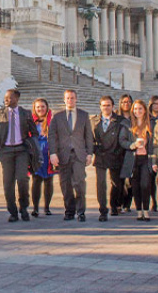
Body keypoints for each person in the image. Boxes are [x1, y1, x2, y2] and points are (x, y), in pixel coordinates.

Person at [0, 89, 39, 222]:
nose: (6, 100)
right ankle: (12, 212)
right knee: (8, 183)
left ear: (17, 98)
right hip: (5, 151)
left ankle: (23, 207)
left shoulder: (25, 113)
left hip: (21, 150)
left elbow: (34, 132)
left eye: (9, 98)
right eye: (5, 98)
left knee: (23, 179)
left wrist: (30, 144)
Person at [48, 89, 93, 222]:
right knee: (65, 184)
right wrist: (53, 153)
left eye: (72, 98)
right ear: (64, 100)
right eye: (68, 98)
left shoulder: (84, 116)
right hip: (63, 155)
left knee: (79, 183)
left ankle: (81, 211)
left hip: (79, 155)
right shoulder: (57, 116)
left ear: (76, 99)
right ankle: (69, 210)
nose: (70, 100)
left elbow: (88, 136)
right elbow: (52, 136)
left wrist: (89, 153)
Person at [91, 96, 127, 220]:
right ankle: (103, 210)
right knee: (101, 184)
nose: (106, 108)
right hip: (100, 156)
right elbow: (90, 139)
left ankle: (114, 205)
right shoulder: (94, 121)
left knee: (116, 183)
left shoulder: (120, 120)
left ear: (113, 106)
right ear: (100, 106)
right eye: (103, 105)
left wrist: (117, 151)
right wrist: (95, 150)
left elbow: (123, 138)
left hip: (115, 155)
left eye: (108, 105)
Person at [120, 100, 154, 221]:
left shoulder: (150, 124)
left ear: (145, 110)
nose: (137, 111)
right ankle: (139, 211)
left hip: (146, 159)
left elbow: (155, 142)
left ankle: (146, 209)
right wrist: (132, 145)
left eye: (140, 109)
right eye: (135, 109)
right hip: (133, 159)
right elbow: (122, 141)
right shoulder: (128, 124)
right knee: (135, 186)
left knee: (145, 184)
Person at [30, 98, 55, 217]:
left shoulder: (52, 121)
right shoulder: (31, 122)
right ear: (34, 109)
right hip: (35, 155)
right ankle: (35, 207)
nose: (40, 109)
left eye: (42, 107)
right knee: (36, 180)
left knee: (48, 181)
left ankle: (47, 207)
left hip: (48, 154)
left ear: (47, 107)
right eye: (38, 107)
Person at [116, 94, 133, 213]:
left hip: (131, 151)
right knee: (118, 180)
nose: (126, 104)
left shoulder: (135, 117)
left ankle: (127, 203)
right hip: (118, 152)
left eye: (128, 102)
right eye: (124, 102)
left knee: (130, 180)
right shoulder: (117, 117)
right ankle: (118, 203)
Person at [148, 95, 158, 211]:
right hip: (149, 149)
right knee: (151, 178)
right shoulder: (147, 118)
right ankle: (153, 200)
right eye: (154, 104)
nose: (156, 106)